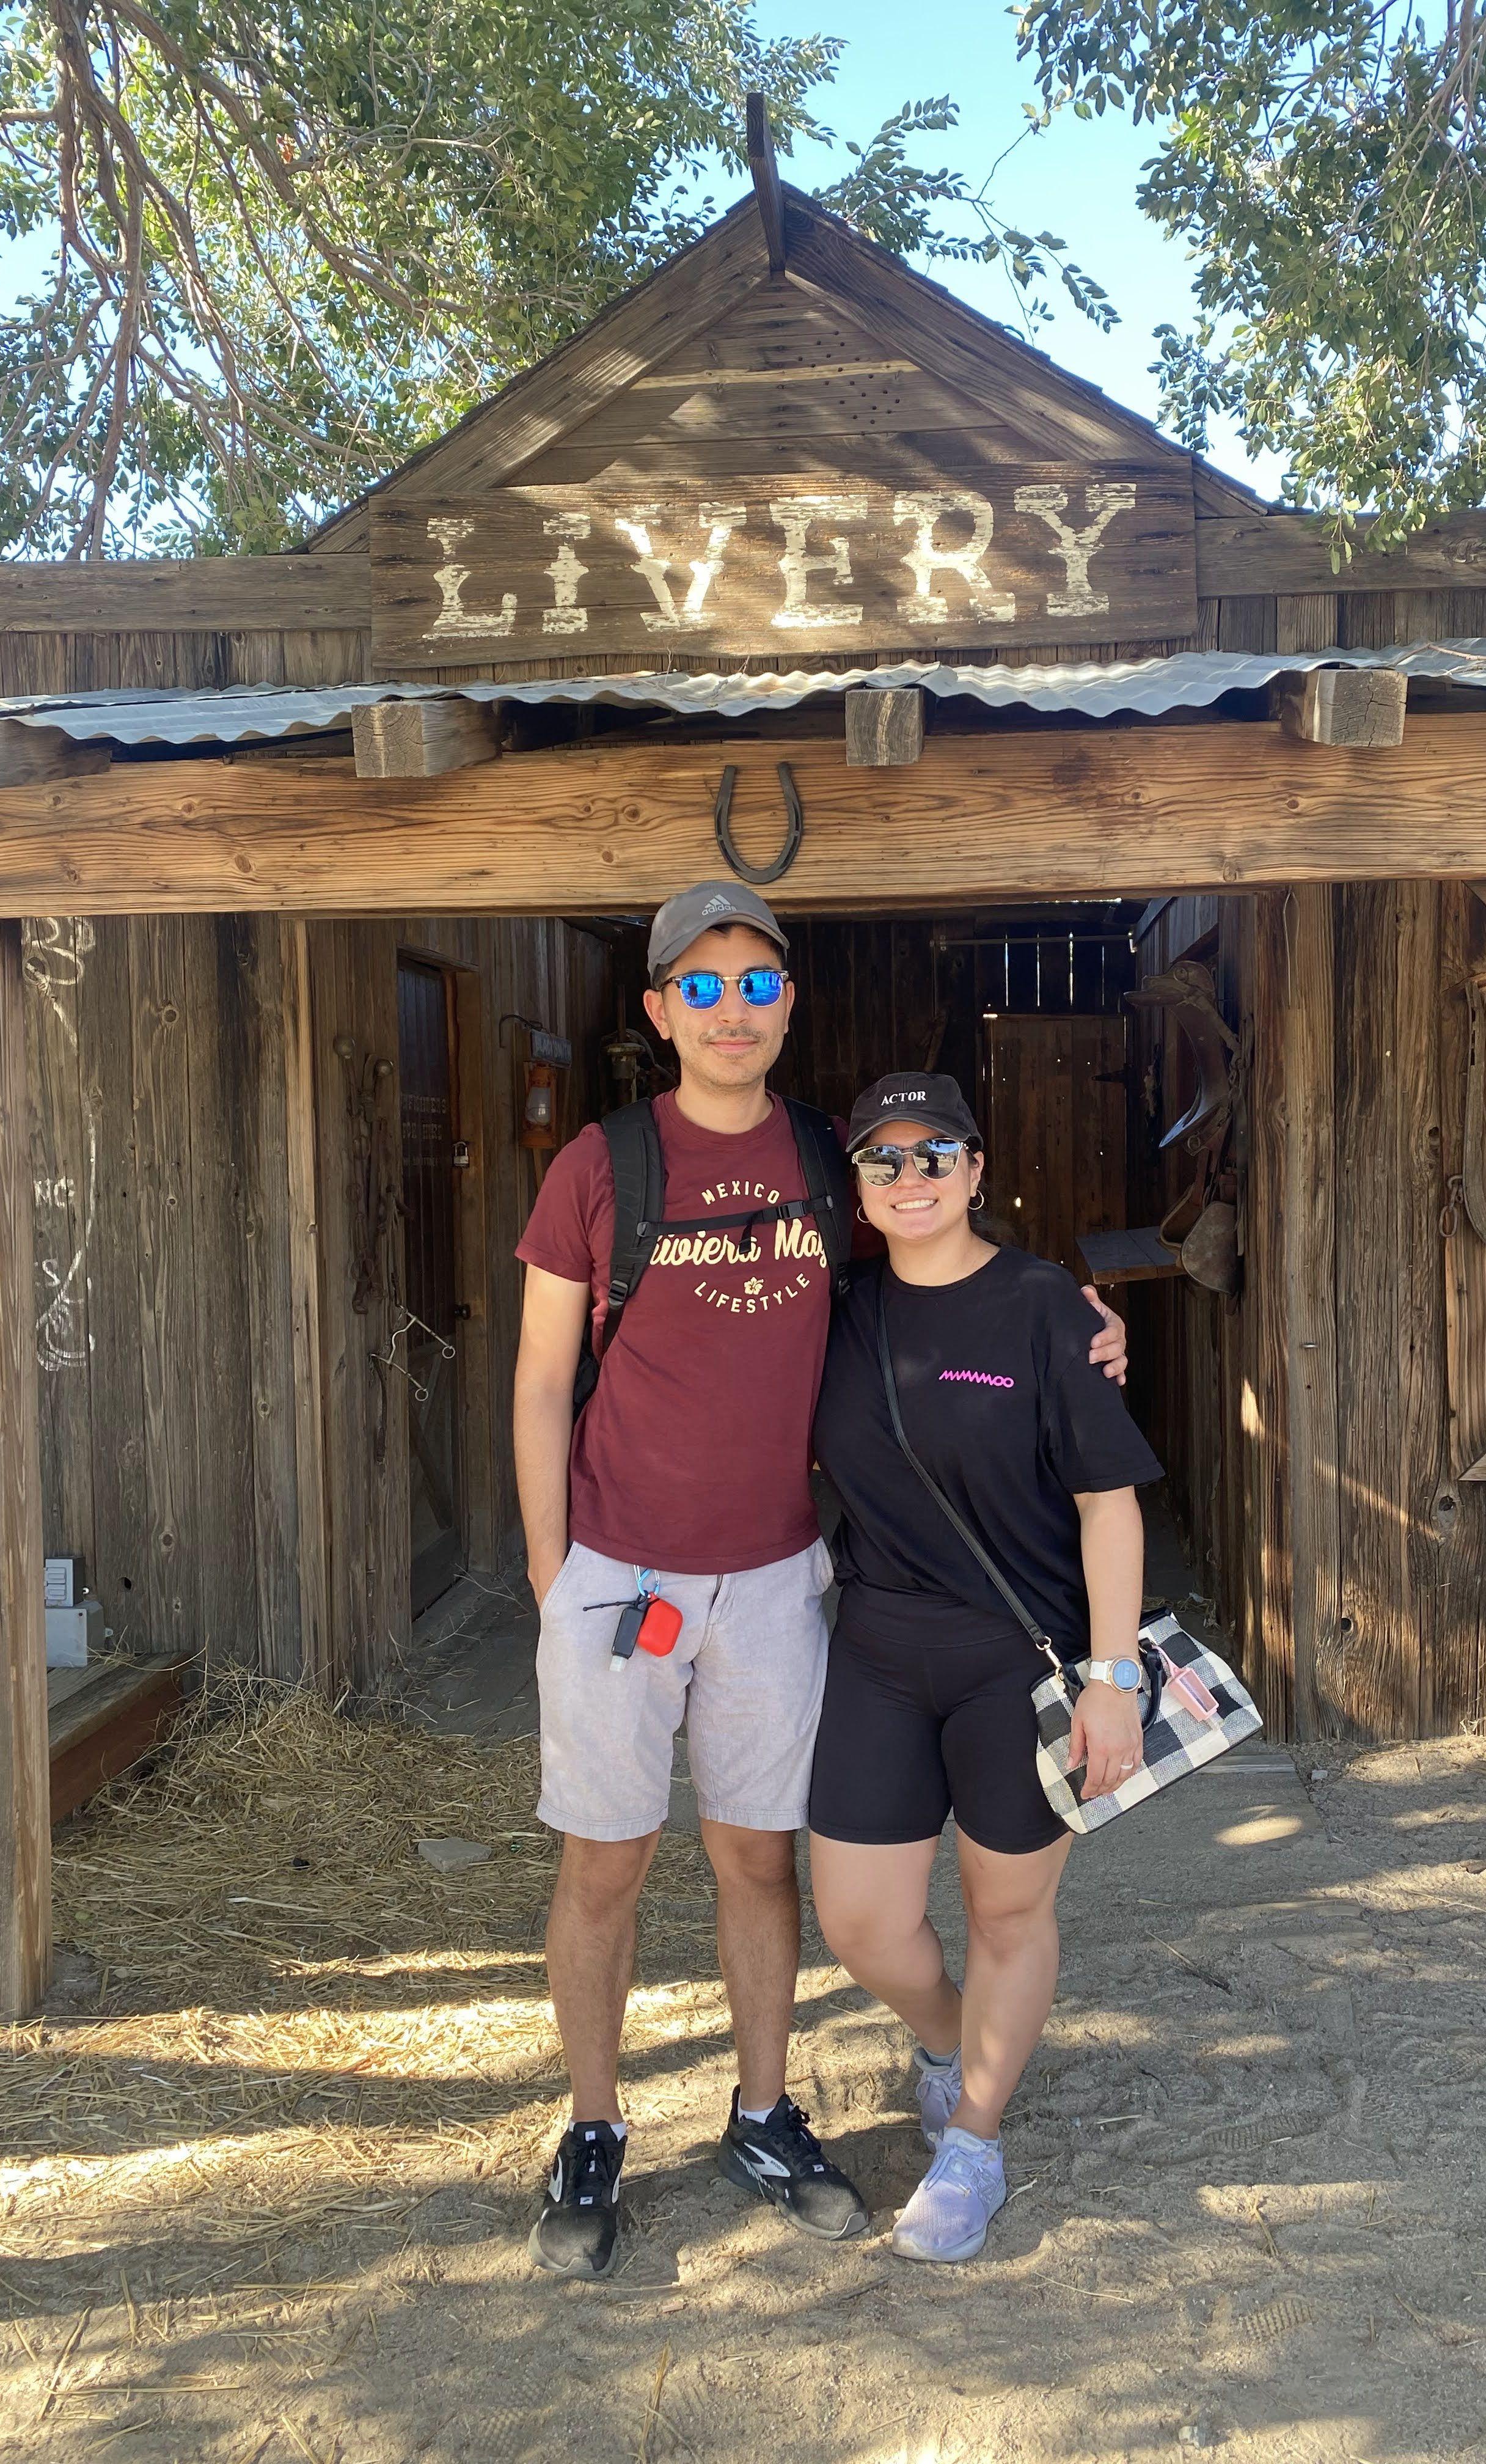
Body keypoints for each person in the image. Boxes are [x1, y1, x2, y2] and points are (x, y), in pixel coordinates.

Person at [510, 885, 1129, 2279]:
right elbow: (545, 1380)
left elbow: (932, 1268)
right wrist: (557, 1574)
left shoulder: (819, 1157)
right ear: (663, 1010)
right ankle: (595, 2123)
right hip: (619, 1575)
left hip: (780, 1579)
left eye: (760, 986)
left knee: (757, 1858)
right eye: (705, 989)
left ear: (789, 1004)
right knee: (605, 1862)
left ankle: (763, 2107)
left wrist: (1080, 1318)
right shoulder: (600, 1167)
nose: (736, 1013)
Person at [804, 1071, 1164, 2264]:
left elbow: (1108, 1506)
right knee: (861, 1921)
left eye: (933, 1154)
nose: (911, 1178)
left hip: (1019, 1664)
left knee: (1009, 1912)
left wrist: (1111, 1677)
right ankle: (951, 2040)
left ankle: (974, 2144)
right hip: (877, 1651)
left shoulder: (1047, 1306)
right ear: (856, 1187)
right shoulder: (837, 1307)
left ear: (974, 1168)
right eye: (883, 1160)